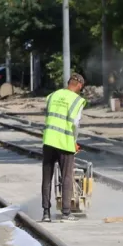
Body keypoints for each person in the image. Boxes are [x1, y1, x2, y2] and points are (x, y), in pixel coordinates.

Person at [41, 72, 87, 221]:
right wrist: (74, 141)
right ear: (79, 85)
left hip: (49, 140)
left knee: (47, 178)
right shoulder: (77, 100)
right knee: (67, 177)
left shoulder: (52, 96)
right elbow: (75, 123)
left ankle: (46, 213)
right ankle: (66, 212)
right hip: (65, 142)